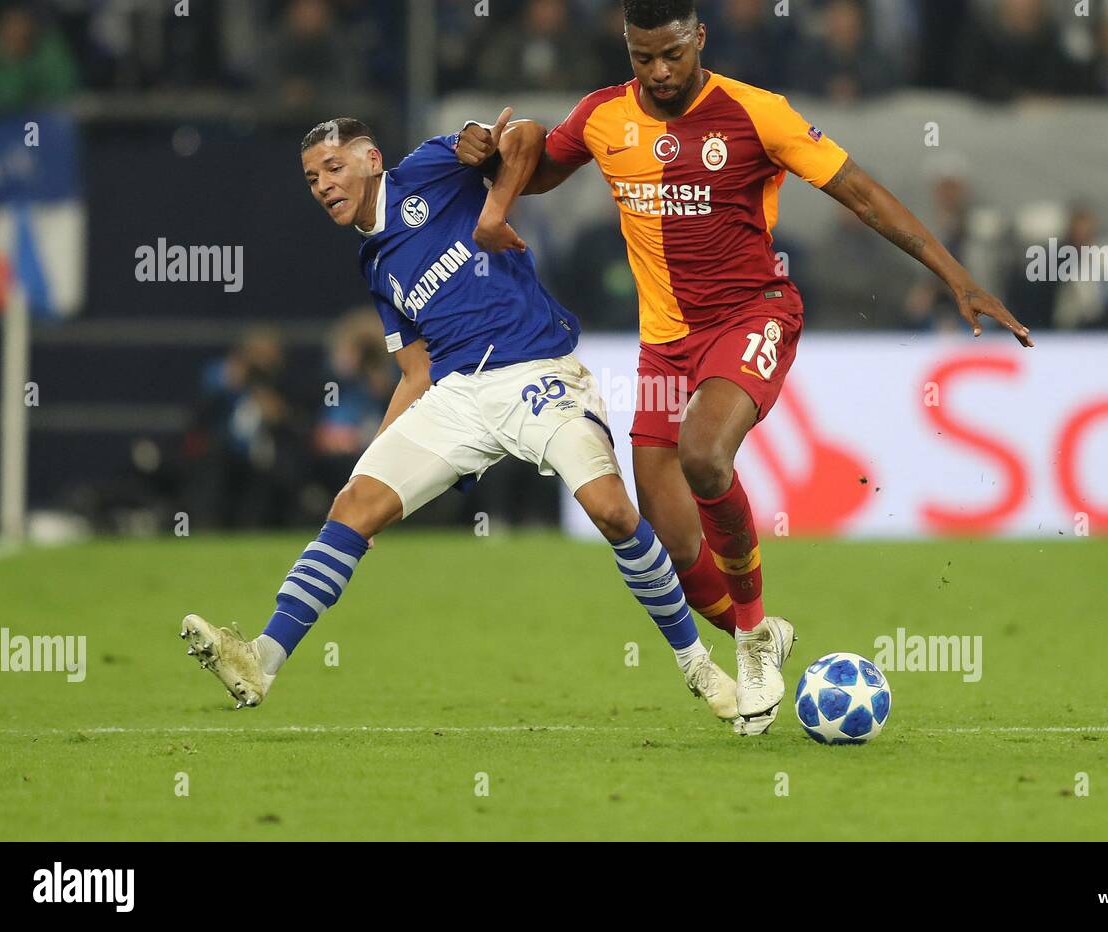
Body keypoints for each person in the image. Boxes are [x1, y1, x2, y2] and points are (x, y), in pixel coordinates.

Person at [456, 0, 1032, 734]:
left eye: (670, 53)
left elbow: (862, 193)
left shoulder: (756, 114)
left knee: (703, 457)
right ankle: (755, 629)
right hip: (665, 346)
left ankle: (756, 641)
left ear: (700, 39)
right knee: (669, 534)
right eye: (641, 57)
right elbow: (530, 173)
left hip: (752, 316)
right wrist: (481, 156)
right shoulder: (602, 116)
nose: (657, 72)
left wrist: (957, 277)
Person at [181, 113, 737, 726]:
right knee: (353, 507)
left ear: (371, 158)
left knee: (611, 510)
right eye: (312, 180)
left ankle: (697, 662)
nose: (324, 187)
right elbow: (416, 373)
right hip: (456, 396)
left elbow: (524, 134)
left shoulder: (430, 167)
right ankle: (262, 658)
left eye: (334, 168)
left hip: (536, 371)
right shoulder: (375, 263)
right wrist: (378, 461)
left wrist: (493, 203)